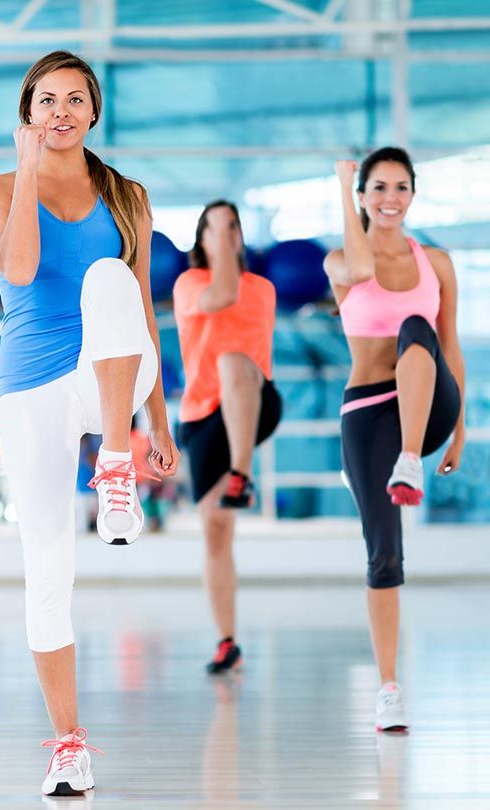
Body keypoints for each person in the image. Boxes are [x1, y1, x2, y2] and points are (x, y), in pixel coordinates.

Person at [0, 51, 179, 797]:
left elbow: (145, 307)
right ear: (28, 113)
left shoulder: (126, 196)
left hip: (115, 376)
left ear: (94, 112)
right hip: (33, 384)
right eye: (46, 100)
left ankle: (116, 467)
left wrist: (160, 425)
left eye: (74, 99)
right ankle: (68, 744)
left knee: (107, 277)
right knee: (47, 573)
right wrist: (27, 170)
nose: (60, 111)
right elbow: (20, 271)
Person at [324, 147, 464, 732]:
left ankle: (409, 460)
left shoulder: (437, 261)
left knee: (418, 327)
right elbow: (360, 270)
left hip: (430, 408)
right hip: (368, 411)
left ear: (413, 194)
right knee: (383, 552)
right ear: (362, 195)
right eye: (377, 187)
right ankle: (389, 689)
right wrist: (340, 183)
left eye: (400, 187)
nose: (390, 198)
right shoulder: (339, 261)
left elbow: (449, 344)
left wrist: (461, 431)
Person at [174, 200, 282, 674]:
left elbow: (229, 294)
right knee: (216, 532)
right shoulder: (187, 284)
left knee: (233, 362)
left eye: (234, 226)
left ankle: (242, 474)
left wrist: (221, 240)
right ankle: (227, 641)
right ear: (201, 240)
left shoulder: (261, 289)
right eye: (215, 227)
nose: (226, 233)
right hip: (202, 416)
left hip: (253, 400)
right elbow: (216, 294)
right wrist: (218, 243)